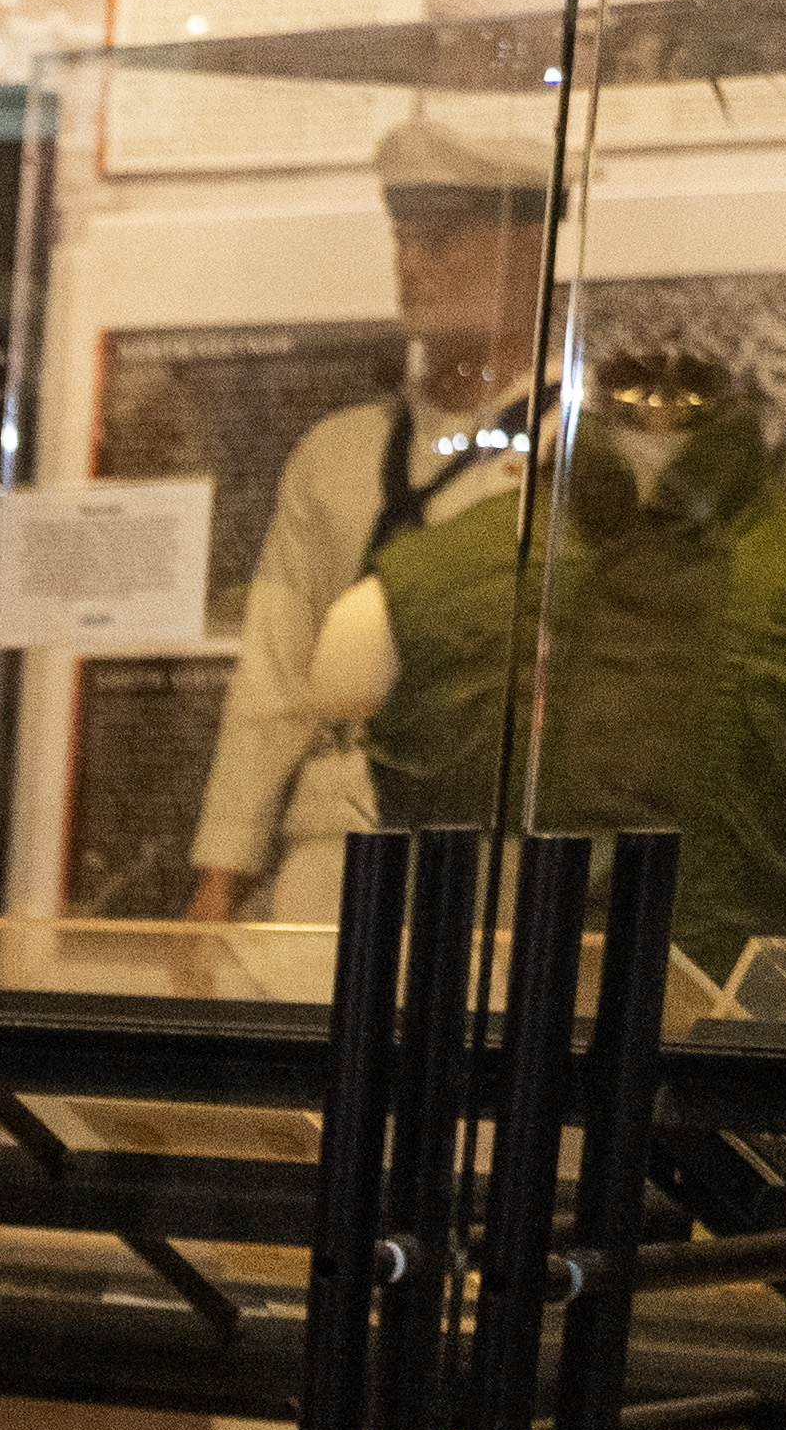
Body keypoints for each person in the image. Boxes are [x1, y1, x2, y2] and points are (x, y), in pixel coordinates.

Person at [195, 97, 553, 911]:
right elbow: (274, 680)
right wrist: (221, 879)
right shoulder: (340, 455)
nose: (412, 264)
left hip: (493, 846)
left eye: (442, 237)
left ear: (529, 248)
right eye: (402, 237)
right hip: (331, 834)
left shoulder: (576, 454)